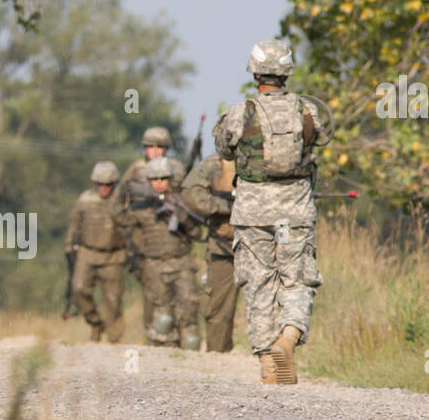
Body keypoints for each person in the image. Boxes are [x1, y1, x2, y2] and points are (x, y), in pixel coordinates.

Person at [213, 39, 335, 384]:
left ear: (254, 71)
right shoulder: (307, 110)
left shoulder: (240, 112)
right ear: (287, 72)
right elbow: (323, 138)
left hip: (253, 214)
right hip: (294, 212)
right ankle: (289, 337)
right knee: (297, 279)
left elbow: (223, 147)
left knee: (258, 284)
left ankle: (268, 362)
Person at [113, 155, 202, 348]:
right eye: (155, 179)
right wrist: (121, 191)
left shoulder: (180, 202)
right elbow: (118, 217)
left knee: (190, 327)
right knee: (162, 320)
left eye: (163, 179)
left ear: (170, 179)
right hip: (154, 265)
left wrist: (182, 217)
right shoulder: (141, 208)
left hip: (182, 263)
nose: (159, 183)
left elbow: (197, 232)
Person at [181, 151, 237, 352]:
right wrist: (227, 208)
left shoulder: (271, 161)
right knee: (218, 307)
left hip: (265, 245)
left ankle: (272, 358)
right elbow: (191, 194)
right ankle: (218, 357)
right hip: (224, 246)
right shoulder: (217, 165)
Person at [64, 161, 126, 342]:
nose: (104, 188)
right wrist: (69, 246)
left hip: (113, 255)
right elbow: (74, 224)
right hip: (87, 253)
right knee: (79, 288)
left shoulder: (121, 201)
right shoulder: (85, 200)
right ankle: (95, 323)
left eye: (108, 184)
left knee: (113, 300)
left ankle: (115, 339)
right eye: (101, 184)